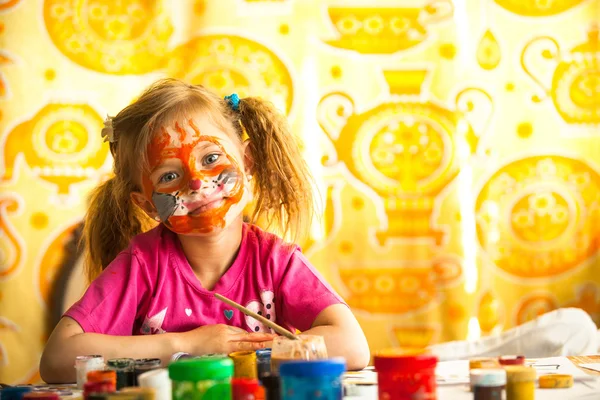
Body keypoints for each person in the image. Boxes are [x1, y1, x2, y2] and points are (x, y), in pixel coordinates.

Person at [40, 79, 369, 383]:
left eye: (211, 157)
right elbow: (57, 359)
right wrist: (188, 344)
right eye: (169, 176)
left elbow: (353, 346)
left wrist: (247, 353)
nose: (197, 182)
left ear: (247, 159)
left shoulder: (276, 262)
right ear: (148, 205)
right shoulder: (142, 266)